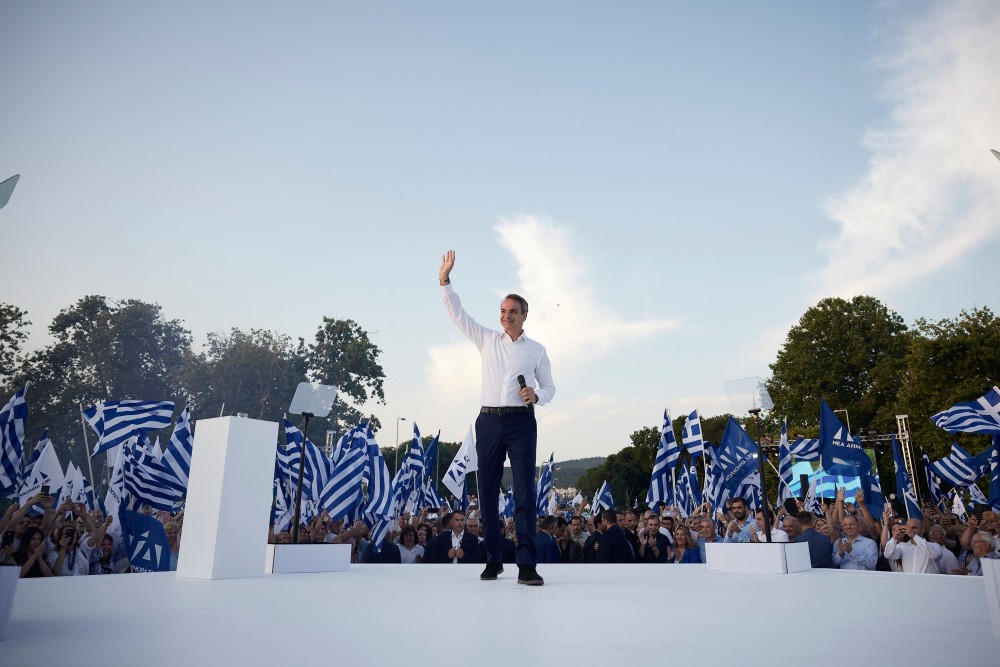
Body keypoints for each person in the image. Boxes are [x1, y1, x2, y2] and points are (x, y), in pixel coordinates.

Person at [439, 249, 555, 586]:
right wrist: (445, 281)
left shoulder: (537, 350)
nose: (506, 316)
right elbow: (458, 314)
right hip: (487, 422)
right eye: (502, 311)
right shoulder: (487, 339)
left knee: (523, 494)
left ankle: (526, 566)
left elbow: (550, 387)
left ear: (524, 315)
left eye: (512, 312)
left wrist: (537, 396)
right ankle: (493, 561)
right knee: (487, 492)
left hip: (521, 423)